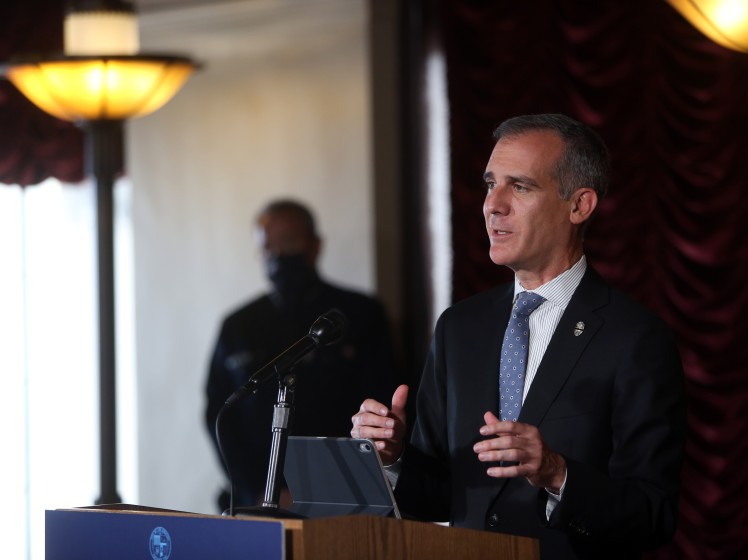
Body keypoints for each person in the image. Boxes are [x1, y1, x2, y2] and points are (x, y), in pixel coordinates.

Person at [351, 114, 685, 559]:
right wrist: (392, 458)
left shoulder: (635, 339)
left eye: (520, 187)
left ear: (579, 205)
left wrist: (556, 473)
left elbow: (651, 515)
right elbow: (438, 496)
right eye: (491, 184)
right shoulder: (459, 328)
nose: (493, 204)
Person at [206, 199, 399, 509]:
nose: (278, 255)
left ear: (314, 245)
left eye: (289, 242)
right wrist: (258, 488)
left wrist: (315, 490)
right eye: (267, 248)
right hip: (255, 499)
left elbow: (379, 403)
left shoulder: (357, 315)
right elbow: (220, 411)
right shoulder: (237, 326)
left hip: (340, 497)